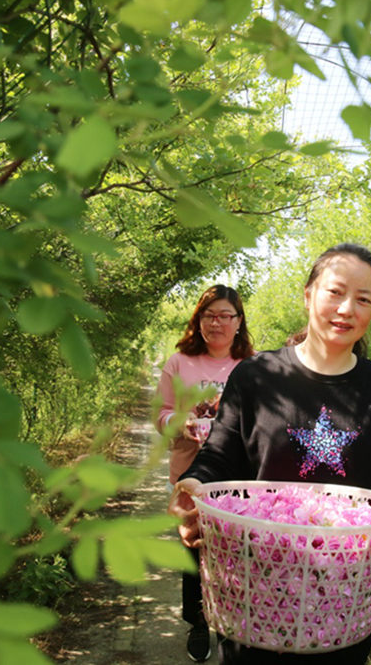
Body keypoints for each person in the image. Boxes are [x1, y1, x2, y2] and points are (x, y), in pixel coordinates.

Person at [167, 243, 371, 665]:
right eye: (335, 292)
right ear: (308, 295)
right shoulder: (256, 376)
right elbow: (219, 454)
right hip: (255, 594)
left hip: (343, 603)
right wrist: (194, 484)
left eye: (364, 299)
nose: (347, 309)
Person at [155, 284, 254, 663]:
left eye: (225, 315)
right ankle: (198, 623)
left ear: (239, 321)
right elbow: (161, 415)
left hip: (238, 480)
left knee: (237, 555)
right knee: (195, 552)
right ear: (198, 320)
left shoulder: (255, 365)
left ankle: (235, 624)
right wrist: (182, 423)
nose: (217, 323)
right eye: (209, 315)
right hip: (189, 474)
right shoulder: (179, 362)